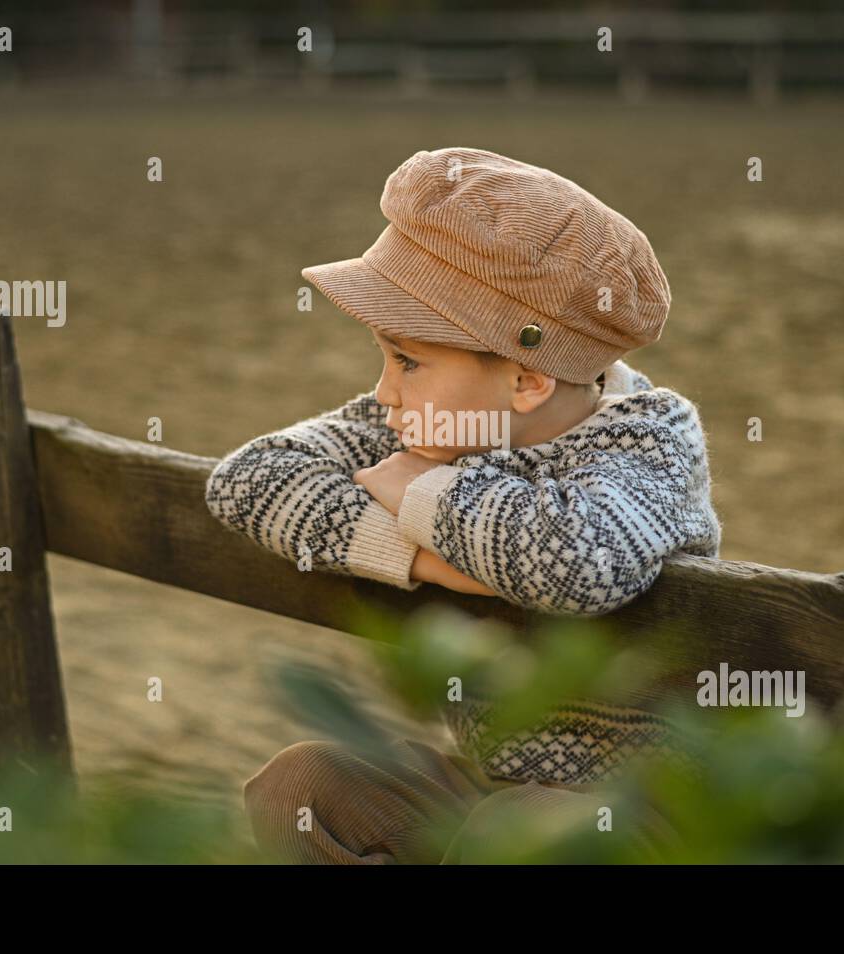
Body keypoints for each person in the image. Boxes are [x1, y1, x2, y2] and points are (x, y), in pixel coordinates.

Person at [206, 147, 721, 863]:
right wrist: (422, 557)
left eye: (408, 360)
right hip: (498, 784)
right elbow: (246, 478)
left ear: (528, 381)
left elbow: (577, 562)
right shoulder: (436, 424)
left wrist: (417, 491)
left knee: (511, 830)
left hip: (655, 817)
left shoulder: (649, 443)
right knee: (298, 787)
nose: (385, 392)